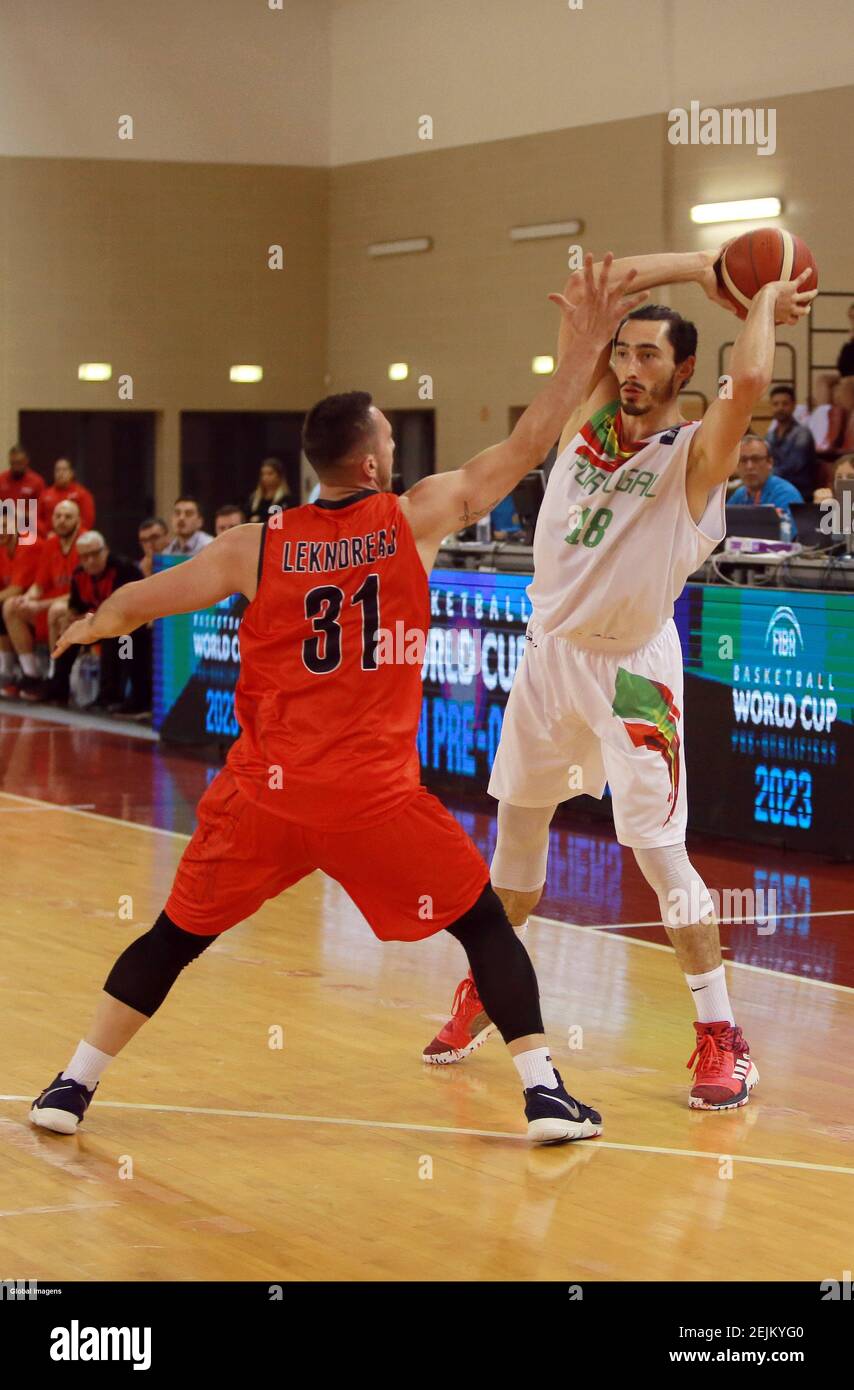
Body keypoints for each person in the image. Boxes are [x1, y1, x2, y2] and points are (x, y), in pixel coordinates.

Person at [29, 256, 646, 1144]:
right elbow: (526, 446)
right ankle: (545, 1091)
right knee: (483, 925)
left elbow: (151, 597)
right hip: (372, 799)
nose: (397, 448)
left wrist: (94, 623)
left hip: (266, 795)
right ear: (369, 458)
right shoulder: (414, 517)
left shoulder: (255, 543)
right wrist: (584, 347)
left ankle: (71, 1087)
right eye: (391, 437)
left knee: (173, 936)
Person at [423, 245, 815, 1112]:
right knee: (515, 848)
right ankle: (488, 989)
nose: (628, 366)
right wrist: (705, 263)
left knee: (660, 855)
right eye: (622, 353)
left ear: (683, 371)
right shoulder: (585, 429)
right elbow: (595, 285)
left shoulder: (693, 456)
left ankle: (723, 1036)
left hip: (634, 671)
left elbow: (745, 386)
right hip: (548, 658)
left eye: (649, 356)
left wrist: (753, 298)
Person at [45, 532, 148, 712]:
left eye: (95, 554)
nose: (91, 560)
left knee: (119, 642)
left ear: (105, 551)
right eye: (85, 556)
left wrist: (94, 623)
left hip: (131, 627)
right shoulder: (79, 575)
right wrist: (70, 624)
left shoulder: (125, 569)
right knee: (69, 636)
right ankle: (58, 688)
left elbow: (125, 609)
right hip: (98, 624)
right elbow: (75, 607)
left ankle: (114, 697)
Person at [0, 499, 81, 699]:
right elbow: (38, 585)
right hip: (47, 606)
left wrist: (35, 602)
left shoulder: (31, 543)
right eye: (58, 516)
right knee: (12, 605)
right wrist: (27, 599)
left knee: (56, 611)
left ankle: (56, 678)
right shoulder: (52, 543)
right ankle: (30, 675)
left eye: (68, 516)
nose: (62, 521)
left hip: (78, 608)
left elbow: (81, 593)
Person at [0, 512, 42, 688]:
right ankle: (6, 671)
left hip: (41, 603)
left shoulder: (28, 543)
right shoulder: (2, 547)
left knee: (7, 606)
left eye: (4, 526)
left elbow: (17, 589)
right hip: (22, 603)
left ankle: (31, 674)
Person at [728, 435, 803, 524]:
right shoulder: (739, 494)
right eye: (743, 460)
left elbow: (784, 535)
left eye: (755, 459)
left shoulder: (786, 494)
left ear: (770, 463)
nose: (749, 466)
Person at [766, 384, 817, 499]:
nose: (780, 408)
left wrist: (763, 475)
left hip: (799, 492)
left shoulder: (803, 433)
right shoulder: (770, 435)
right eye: (775, 404)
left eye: (785, 404)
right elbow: (765, 461)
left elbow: (792, 467)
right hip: (774, 487)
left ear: (794, 406)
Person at [40, 458, 96, 533]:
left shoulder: (82, 494)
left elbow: (87, 520)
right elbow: (37, 519)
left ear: (72, 473)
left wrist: (70, 535)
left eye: (64, 470)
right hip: (49, 537)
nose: (60, 473)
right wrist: (46, 533)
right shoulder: (45, 494)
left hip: (75, 538)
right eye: (58, 470)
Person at [0, 446, 45, 534]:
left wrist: (16, 512)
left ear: (26, 461)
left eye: (19, 463)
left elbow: (40, 513)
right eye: (13, 463)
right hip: (5, 529)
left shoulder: (36, 482)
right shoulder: (2, 479)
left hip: (27, 528)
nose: (16, 466)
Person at [245, 457, 291, 523]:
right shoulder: (254, 498)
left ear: (279, 476)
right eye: (263, 474)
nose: (265, 477)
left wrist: (261, 519)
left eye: (270, 474)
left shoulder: (286, 499)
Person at [835, 303, 854, 379]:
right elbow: (842, 366)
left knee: (846, 384)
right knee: (823, 380)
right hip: (848, 375)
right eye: (851, 317)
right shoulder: (849, 344)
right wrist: (851, 343)